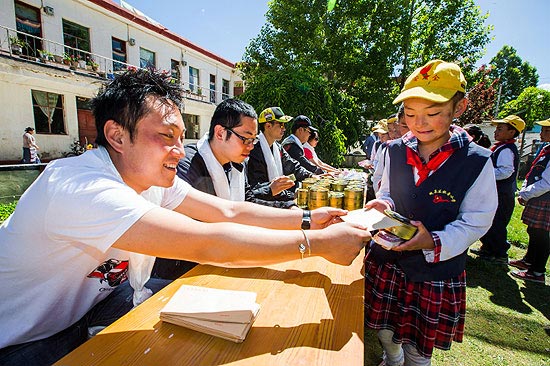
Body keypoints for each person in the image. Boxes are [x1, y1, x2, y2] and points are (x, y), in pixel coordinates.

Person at [0, 70, 371, 365]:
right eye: (166, 136)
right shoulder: (80, 187)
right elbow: (207, 242)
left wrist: (308, 218)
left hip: (99, 303)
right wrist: (316, 245)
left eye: (182, 136)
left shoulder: (148, 178)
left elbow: (227, 211)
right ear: (116, 135)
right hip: (23, 339)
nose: (180, 150)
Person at [364, 59, 497, 366]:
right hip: (387, 262)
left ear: (459, 108)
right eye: (410, 114)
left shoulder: (476, 161)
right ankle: (391, 358)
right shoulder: (394, 150)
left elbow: (477, 220)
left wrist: (433, 241)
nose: (419, 123)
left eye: (432, 114)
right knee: (383, 328)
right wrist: (384, 205)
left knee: (419, 344)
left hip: (434, 273)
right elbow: (387, 191)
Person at [153, 99, 297, 279]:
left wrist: (291, 209)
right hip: (181, 273)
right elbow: (223, 216)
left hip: (220, 264)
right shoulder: (187, 167)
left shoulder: (234, 164)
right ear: (220, 133)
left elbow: (247, 203)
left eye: (253, 140)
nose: (251, 147)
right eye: (246, 139)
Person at [472, 115, 524, 263]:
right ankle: (488, 248)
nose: (496, 132)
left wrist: (485, 174)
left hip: (502, 194)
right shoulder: (500, 147)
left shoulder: (507, 150)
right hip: (495, 192)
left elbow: (505, 171)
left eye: (500, 129)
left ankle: (499, 253)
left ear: (511, 132)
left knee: (497, 222)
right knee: (489, 220)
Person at [247, 107, 317, 204]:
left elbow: (293, 167)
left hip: (278, 199)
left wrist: (311, 176)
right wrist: (291, 196)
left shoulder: (278, 147)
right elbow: (260, 187)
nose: (284, 129)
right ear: (268, 126)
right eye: (280, 125)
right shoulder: (254, 150)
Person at [509, 118, 550, 284]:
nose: (542, 133)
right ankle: (529, 260)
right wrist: (525, 190)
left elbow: (547, 182)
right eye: (543, 129)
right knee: (534, 231)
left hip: (544, 198)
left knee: (541, 235)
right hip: (537, 196)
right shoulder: (546, 150)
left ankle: (537, 271)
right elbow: (533, 172)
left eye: (547, 130)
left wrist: (526, 194)